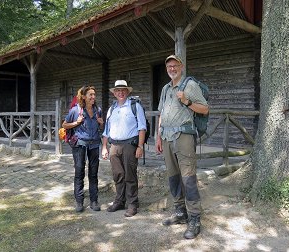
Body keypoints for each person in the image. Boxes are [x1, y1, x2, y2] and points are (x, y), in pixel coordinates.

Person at [155, 55, 209, 239]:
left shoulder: (190, 85)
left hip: (184, 136)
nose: (172, 69)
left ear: (181, 66)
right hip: (167, 136)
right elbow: (161, 113)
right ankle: (179, 212)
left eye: (175, 65)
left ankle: (194, 219)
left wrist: (187, 101)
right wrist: (158, 136)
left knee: (188, 178)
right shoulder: (165, 89)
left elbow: (205, 109)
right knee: (173, 177)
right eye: (169, 66)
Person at [101, 80, 147, 218]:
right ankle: (119, 201)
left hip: (129, 145)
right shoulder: (111, 109)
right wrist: (104, 147)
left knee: (130, 175)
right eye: (118, 90)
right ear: (114, 93)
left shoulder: (135, 106)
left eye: (123, 90)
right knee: (118, 174)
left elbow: (142, 127)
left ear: (127, 92)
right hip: (114, 145)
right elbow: (106, 130)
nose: (120, 92)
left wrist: (140, 146)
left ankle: (132, 203)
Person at [62, 85, 104, 213]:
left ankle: (93, 201)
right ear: (84, 97)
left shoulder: (98, 110)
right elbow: (64, 125)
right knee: (79, 172)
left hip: (95, 144)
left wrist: (101, 122)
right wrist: (76, 123)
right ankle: (79, 202)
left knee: (93, 173)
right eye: (90, 95)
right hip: (80, 144)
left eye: (94, 95)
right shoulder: (76, 110)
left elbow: (102, 128)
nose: (93, 97)